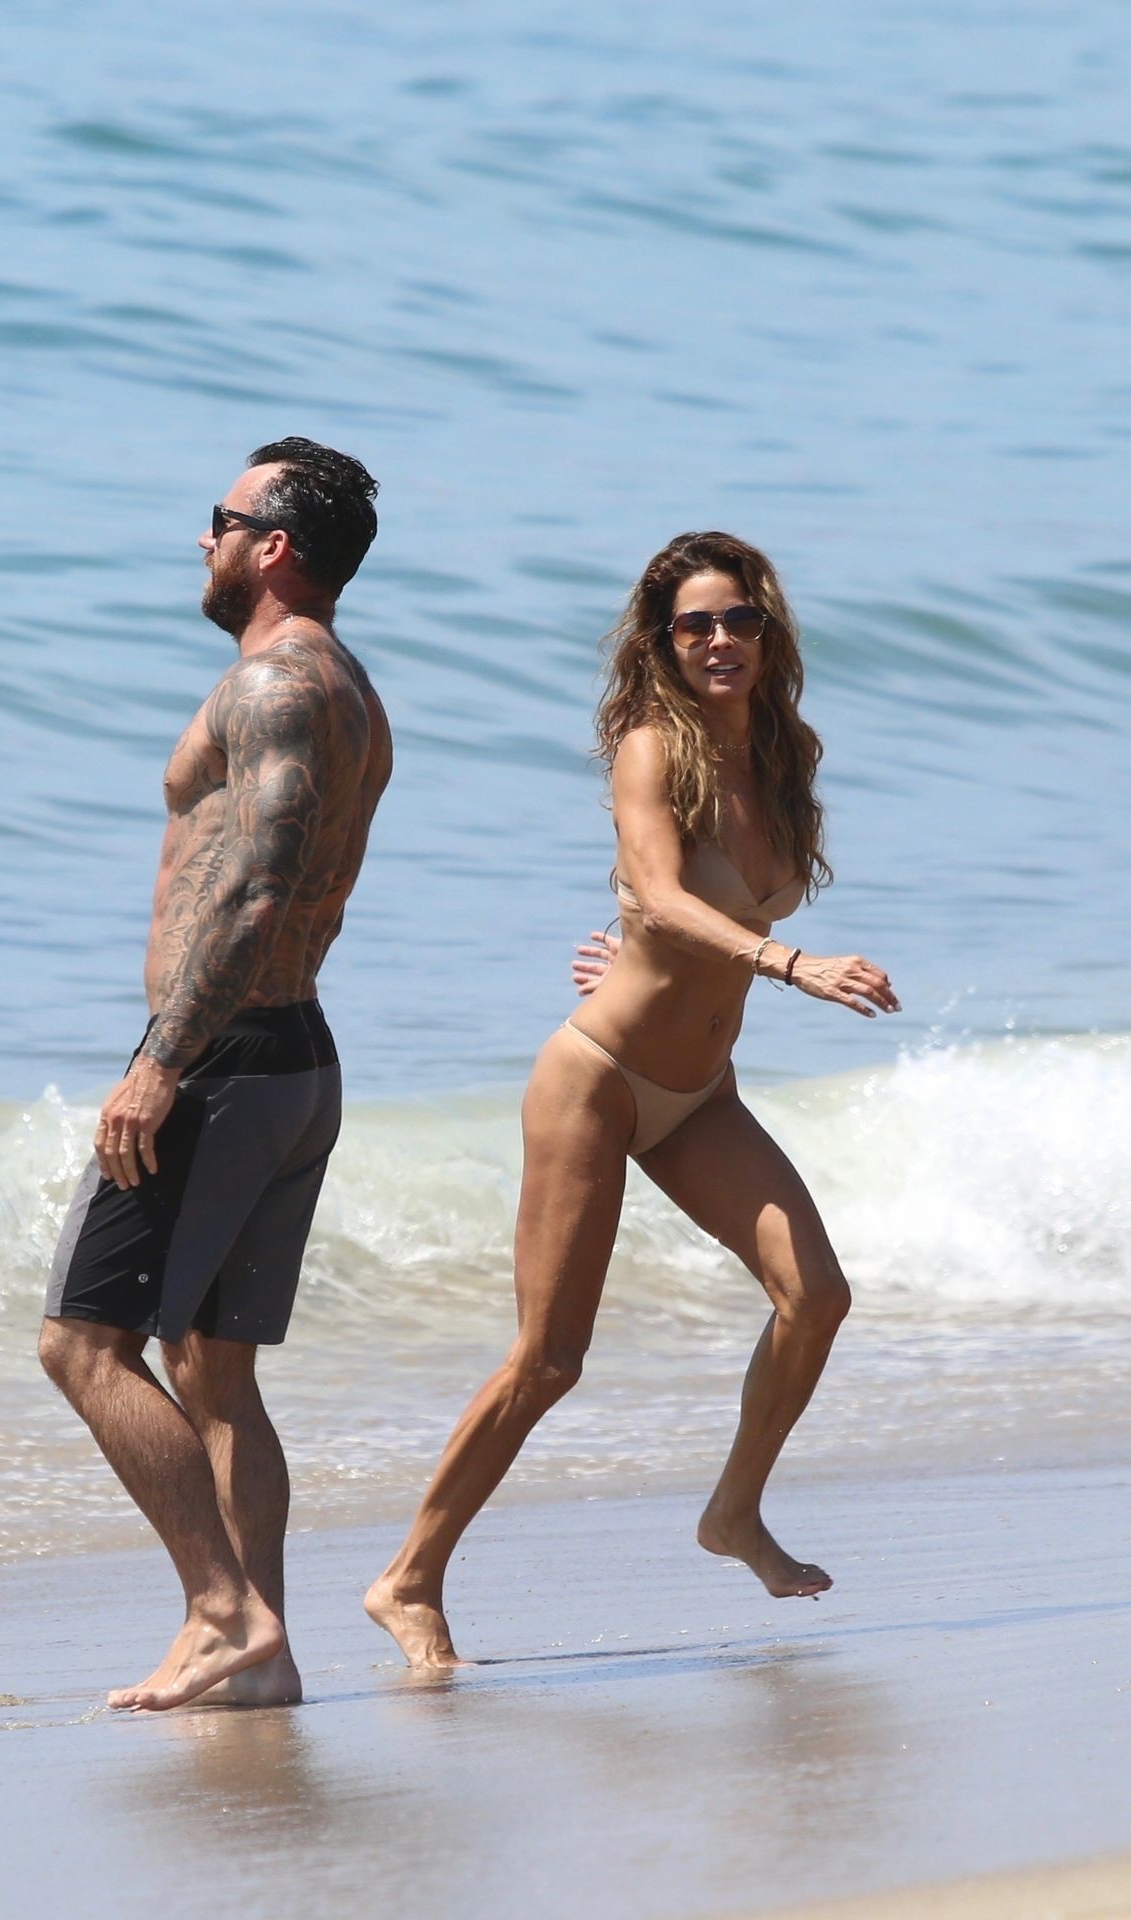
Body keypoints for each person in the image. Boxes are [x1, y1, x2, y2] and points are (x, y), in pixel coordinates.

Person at [366, 530, 898, 1669]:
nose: (719, 640)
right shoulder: (651, 748)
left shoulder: (783, 755)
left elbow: (676, 909)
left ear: (768, 633)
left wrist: (640, 940)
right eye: (695, 625)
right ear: (663, 644)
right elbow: (660, 892)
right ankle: (407, 1580)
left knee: (816, 1296)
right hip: (599, 1084)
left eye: (738, 619)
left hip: (700, 1094)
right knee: (549, 1360)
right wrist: (788, 963)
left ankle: (733, 1514)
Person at [39, 438, 392, 1712]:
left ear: (272, 546)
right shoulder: (342, 686)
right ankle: (264, 1659)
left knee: (82, 1348)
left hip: (225, 1056)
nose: (205, 539)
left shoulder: (275, 688)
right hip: (292, 1054)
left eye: (222, 519)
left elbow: (257, 890)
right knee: (211, 1364)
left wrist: (158, 1063)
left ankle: (221, 1610)